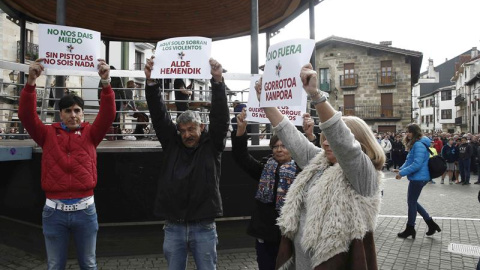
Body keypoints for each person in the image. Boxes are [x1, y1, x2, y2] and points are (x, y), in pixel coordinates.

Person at [256, 64, 384, 269]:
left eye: (330, 139)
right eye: (323, 138)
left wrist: (316, 95)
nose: (325, 143)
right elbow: (289, 135)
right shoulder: (320, 162)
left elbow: (342, 140)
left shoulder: (363, 173)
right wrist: (266, 101)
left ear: (358, 144)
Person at [18, 58, 116, 269]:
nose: (73, 115)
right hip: (54, 213)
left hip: (86, 212)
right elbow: (26, 115)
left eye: (77, 110)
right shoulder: (46, 134)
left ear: (82, 113)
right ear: (60, 113)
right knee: (55, 265)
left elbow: (108, 115)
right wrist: (31, 82)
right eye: (68, 111)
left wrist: (106, 83)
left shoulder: (91, 134)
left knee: (89, 264)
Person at [144, 56, 229, 270]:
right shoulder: (172, 145)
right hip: (174, 227)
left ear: (201, 128)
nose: (187, 134)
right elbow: (159, 115)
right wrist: (152, 83)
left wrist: (217, 82)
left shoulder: (212, 146)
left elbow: (220, 118)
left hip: (204, 227)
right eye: (182, 131)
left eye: (192, 129)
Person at [231, 108, 299, 270]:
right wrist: (241, 131)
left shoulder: (302, 171)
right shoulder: (265, 169)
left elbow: (316, 158)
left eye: (284, 146)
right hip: (266, 236)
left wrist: (310, 135)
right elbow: (242, 157)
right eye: (275, 146)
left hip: (292, 236)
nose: (279, 149)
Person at [394, 124, 441, 239]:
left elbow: (417, 164)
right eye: (407, 131)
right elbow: (409, 160)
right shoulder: (417, 143)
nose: (407, 134)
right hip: (418, 177)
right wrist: (400, 169)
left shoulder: (419, 145)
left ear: (415, 132)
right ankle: (431, 224)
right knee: (413, 202)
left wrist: (402, 173)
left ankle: (410, 228)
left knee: (411, 202)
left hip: (419, 178)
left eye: (409, 132)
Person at [98, 66, 125, 139]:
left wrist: (99, 101)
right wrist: (125, 101)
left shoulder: (102, 79)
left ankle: (109, 136)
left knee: (107, 117)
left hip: (106, 99)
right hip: (116, 99)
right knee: (116, 117)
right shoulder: (118, 78)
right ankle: (116, 136)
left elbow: (99, 90)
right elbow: (121, 90)